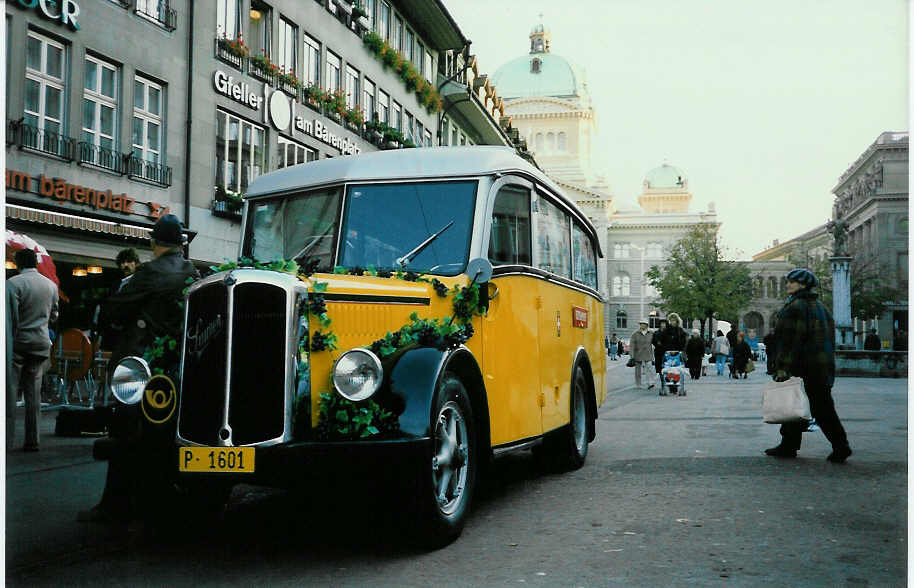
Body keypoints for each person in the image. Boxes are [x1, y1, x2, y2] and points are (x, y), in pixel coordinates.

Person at [79, 214, 199, 522]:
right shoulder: (191, 270)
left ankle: (114, 505)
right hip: (173, 367)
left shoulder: (149, 273)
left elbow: (113, 310)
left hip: (140, 364)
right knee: (161, 434)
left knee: (124, 431)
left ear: (154, 242)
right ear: (181, 243)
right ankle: (158, 496)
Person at [766, 268, 852, 463]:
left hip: (801, 366)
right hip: (820, 366)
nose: (788, 284)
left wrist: (782, 367)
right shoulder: (821, 307)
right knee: (820, 407)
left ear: (803, 285)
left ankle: (839, 446)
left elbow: (790, 341)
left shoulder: (795, 307)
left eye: (792, 282)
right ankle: (791, 444)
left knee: (798, 404)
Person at [6, 248, 59, 452]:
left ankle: (7, 440)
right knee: (34, 394)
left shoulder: (13, 284)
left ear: (19, 263)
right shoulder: (50, 285)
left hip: (18, 343)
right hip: (40, 343)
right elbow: (54, 316)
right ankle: (32, 439)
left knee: (10, 394)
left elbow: (10, 317)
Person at [630, 319, 654, 390]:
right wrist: (631, 354)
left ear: (647, 325)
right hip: (638, 354)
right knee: (638, 370)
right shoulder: (635, 334)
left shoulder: (651, 333)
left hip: (648, 353)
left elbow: (654, 342)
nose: (642, 325)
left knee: (649, 368)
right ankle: (638, 384)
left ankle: (650, 382)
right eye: (641, 324)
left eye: (643, 324)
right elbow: (632, 345)